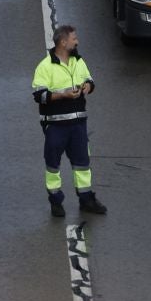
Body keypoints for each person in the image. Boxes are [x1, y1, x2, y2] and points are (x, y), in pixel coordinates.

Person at [32, 23, 107, 218]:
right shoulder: (45, 67)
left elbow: (90, 81)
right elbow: (39, 95)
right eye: (74, 39)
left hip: (78, 125)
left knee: (83, 164)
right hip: (56, 126)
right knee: (53, 166)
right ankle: (56, 201)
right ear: (63, 42)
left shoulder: (78, 61)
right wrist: (63, 95)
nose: (77, 42)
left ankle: (86, 199)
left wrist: (86, 88)